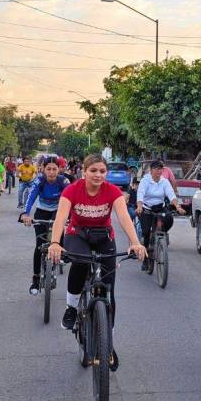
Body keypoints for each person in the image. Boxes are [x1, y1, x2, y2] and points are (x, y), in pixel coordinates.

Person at [47, 154, 147, 371]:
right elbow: (61, 217)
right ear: (84, 172)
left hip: (104, 236)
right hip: (77, 234)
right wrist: (55, 242)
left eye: (102, 171)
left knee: (109, 290)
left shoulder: (112, 191)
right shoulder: (72, 190)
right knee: (80, 264)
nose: (98, 175)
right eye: (93, 171)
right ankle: (72, 308)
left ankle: (107, 344)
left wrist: (135, 242)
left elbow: (123, 217)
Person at [21, 157, 71, 294]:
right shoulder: (39, 180)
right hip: (41, 213)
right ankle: (36, 279)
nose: (51, 172)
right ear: (43, 169)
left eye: (54, 169)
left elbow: (71, 198)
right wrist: (25, 213)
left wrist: (71, 217)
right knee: (39, 245)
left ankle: (61, 250)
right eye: (48, 169)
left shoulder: (63, 181)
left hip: (58, 212)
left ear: (59, 170)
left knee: (60, 230)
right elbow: (31, 196)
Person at [136, 160, 186, 270]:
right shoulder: (145, 181)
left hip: (160, 208)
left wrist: (178, 206)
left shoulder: (164, 182)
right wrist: (139, 207)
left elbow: (171, 195)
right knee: (145, 232)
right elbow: (140, 194)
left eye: (161, 169)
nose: (159, 171)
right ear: (151, 170)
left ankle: (160, 236)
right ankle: (145, 259)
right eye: (157, 169)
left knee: (169, 219)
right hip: (146, 208)